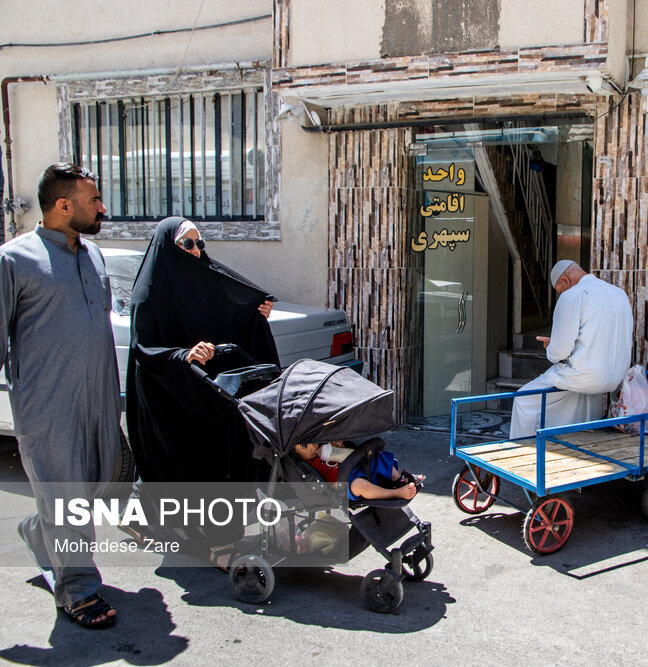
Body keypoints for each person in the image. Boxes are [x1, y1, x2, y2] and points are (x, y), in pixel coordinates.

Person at [1, 163, 120, 628]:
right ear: (63, 205)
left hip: (98, 398)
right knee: (66, 495)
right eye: (94, 200)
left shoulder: (93, 255)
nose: (102, 208)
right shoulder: (14, 260)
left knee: (93, 486)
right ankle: (79, 591)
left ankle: (39, 531)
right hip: (47, 404)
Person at [125, 217, 280, 562]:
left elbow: (227, 314)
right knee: (192, 461)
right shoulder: (150, 291)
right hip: (169, 391)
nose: (197, 252)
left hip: (205, 390)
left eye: (200, 244)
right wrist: (183, 355)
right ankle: (219, 544)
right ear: (169, 247)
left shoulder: (202, 277)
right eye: (188, 244)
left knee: (224, 453)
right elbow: (145, 347)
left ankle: (156, 522)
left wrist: (255, 313)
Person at [509, 260, 634, 439]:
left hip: (584, 377)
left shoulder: (573, 296)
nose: (561, 295)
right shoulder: (619, 293)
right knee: (577, 397)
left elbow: (558, 353)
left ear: (566, 281)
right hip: (614, 379)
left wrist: (551, 346)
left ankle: (521, 453)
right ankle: (572, 442)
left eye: (560, 290)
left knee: (523, 399)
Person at [293, 440, 423, 500]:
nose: (313, 447)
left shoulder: (322, 449)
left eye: (313, 442)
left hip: (355, 468)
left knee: (378, 456)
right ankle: (396, 493)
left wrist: (339, 446)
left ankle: (398, 479)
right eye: (305, 446)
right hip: (345, 484)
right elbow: (320, 484)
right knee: (359, 485)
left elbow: (343, 453)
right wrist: (332, 487)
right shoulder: (306, 466)